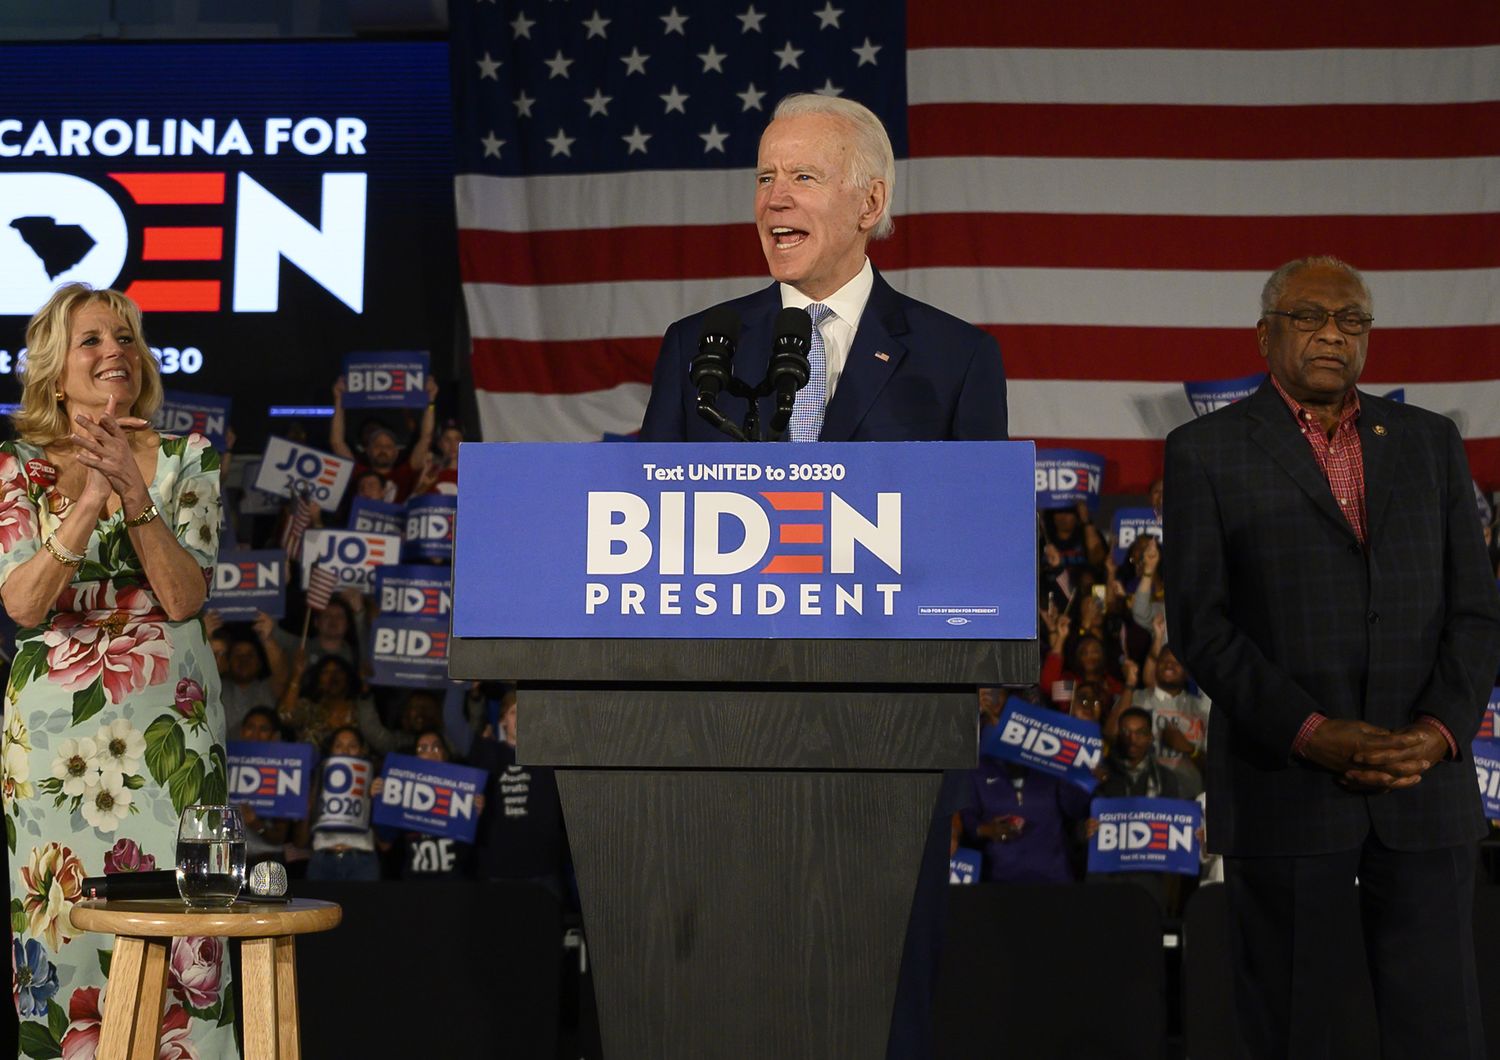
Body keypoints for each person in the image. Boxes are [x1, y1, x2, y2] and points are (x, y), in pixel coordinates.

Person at [639, 93, 1007, 1060]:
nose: (774, 199)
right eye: (764, 177)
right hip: (722, 725)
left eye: (802, 176)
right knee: (729, 988)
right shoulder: (699, 349)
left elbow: (976, 548)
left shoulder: (955, 358)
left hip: (886, 725)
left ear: (869, 200)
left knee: (883, 989)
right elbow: (640, 529)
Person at [1164, 256, 1500, 1057]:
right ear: (1265, 332)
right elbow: (1203, 628)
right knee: (1292, 1030)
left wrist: (1438, 733)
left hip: (1425, 792)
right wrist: (1313, 731)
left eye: (1352, 322)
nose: (1332, 335)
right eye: (1310, 316)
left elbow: (1476, 612)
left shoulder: (1430, 441)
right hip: (1287, 790)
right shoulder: (1205, 450)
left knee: (1441, 1028)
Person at [0, 283, 236, 1055]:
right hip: (52, 745)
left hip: (167, 727)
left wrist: (134, 493)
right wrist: (87, 494)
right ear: (55, 371)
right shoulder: (17, 465)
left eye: (127, 339)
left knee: (186, 927)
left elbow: (182, 595)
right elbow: (24, 604)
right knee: (61, 929)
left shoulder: (186, 460)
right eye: (94, 341)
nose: (116, 355)